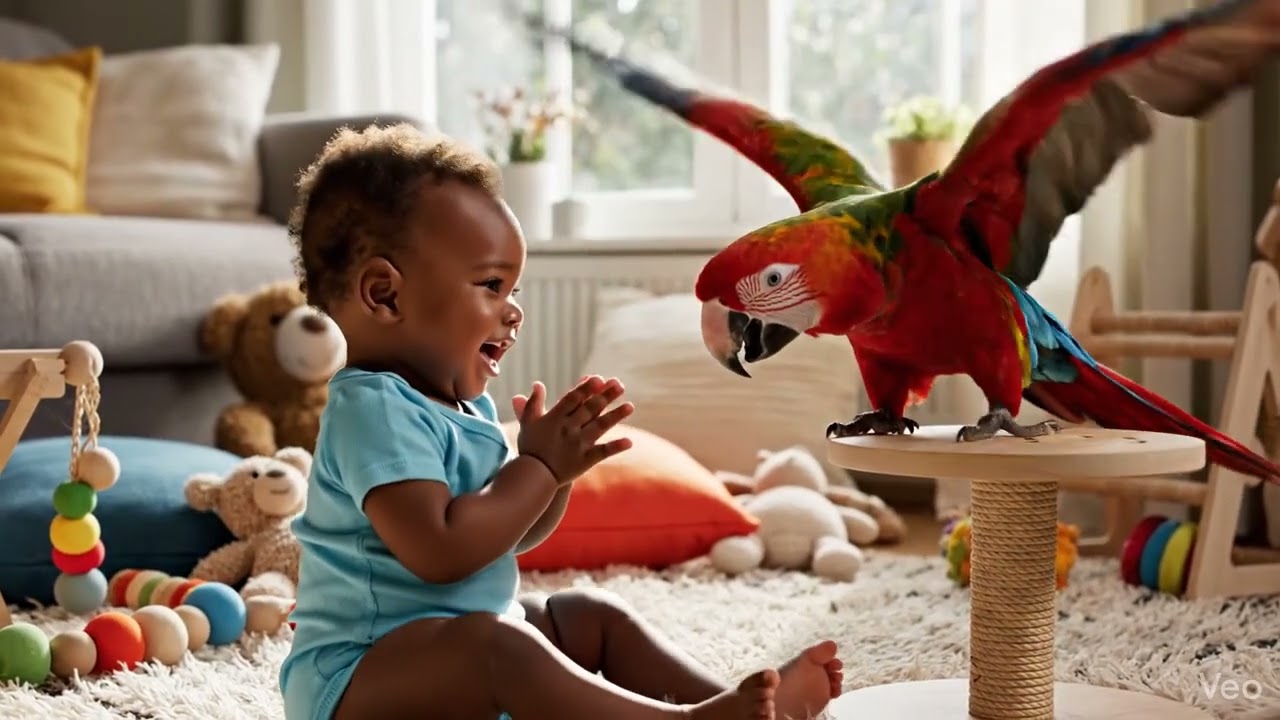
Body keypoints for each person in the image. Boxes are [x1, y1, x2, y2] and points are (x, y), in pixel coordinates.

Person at [277, 122, 845, 720]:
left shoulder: (457, 406)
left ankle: (737, 706)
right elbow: (441, 552)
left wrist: (557, 475)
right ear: (385, 295)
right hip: (357, 683)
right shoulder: (372, 409)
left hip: (448, 655)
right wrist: (538, 466)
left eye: (513, 288)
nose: (514, 310)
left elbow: (507, 536)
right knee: (501, 648)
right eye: (492, 285)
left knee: (589, 617)